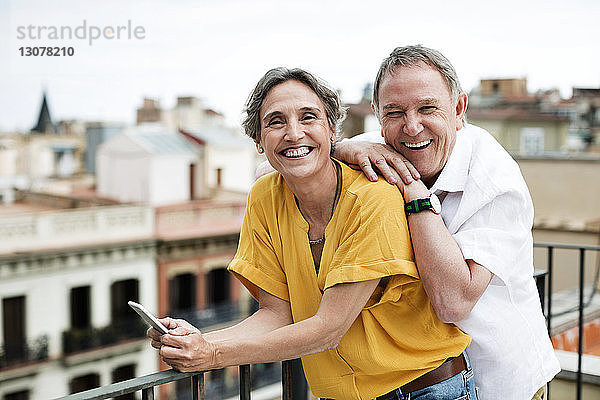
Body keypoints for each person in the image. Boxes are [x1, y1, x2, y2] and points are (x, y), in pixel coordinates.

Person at [148, 67, 479, 399]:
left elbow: (328, 330)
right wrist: (200, 340)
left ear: (332, 130)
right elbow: (277, 314)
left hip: (426, 389)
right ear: (258, 141)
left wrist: (214, 355)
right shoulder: (264, 198)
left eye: (308, 117)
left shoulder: (374, 198)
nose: (293, 133)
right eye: (276, 122)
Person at [334, 45, 560, 400]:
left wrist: (413, 190)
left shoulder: (494, 179)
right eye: (395, 112)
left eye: (427, 108)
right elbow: (272, 169)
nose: (412, 127)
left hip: (499, 383)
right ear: (379, 116)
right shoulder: (379, 145)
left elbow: (454, 302)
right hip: (418, 383)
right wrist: (340, 150)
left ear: (458, 110)